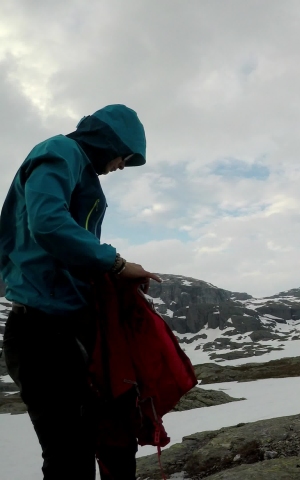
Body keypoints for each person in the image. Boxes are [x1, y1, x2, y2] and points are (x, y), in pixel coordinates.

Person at [0, 104, 162, 479]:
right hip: (44, 331)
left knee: (99, 435)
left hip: (65, 324)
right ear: (109, 140)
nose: (122, 165)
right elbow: (48, 222)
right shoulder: (59, 151)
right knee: (69, 450)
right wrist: (116, 264)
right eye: (125, 155)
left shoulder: (76, 165)